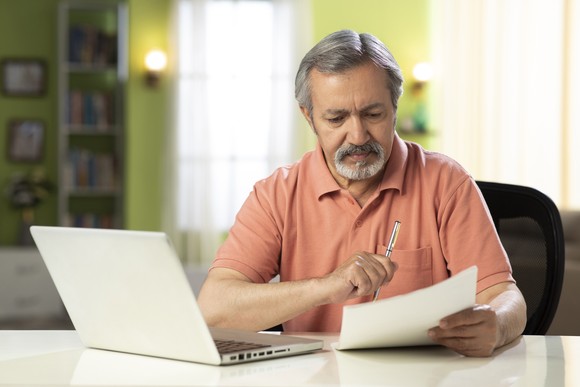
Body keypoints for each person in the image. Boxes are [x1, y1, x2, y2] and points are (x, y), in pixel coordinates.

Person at [197, 29, 527, 357]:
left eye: (372, 114)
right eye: (336, 118)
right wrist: (324, 286)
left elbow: (504, 295)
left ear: (394, 107)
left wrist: (497, 324)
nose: (357, 135)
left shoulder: (447, 182)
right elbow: (213, 310)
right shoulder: (276, 194)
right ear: (308, 116)